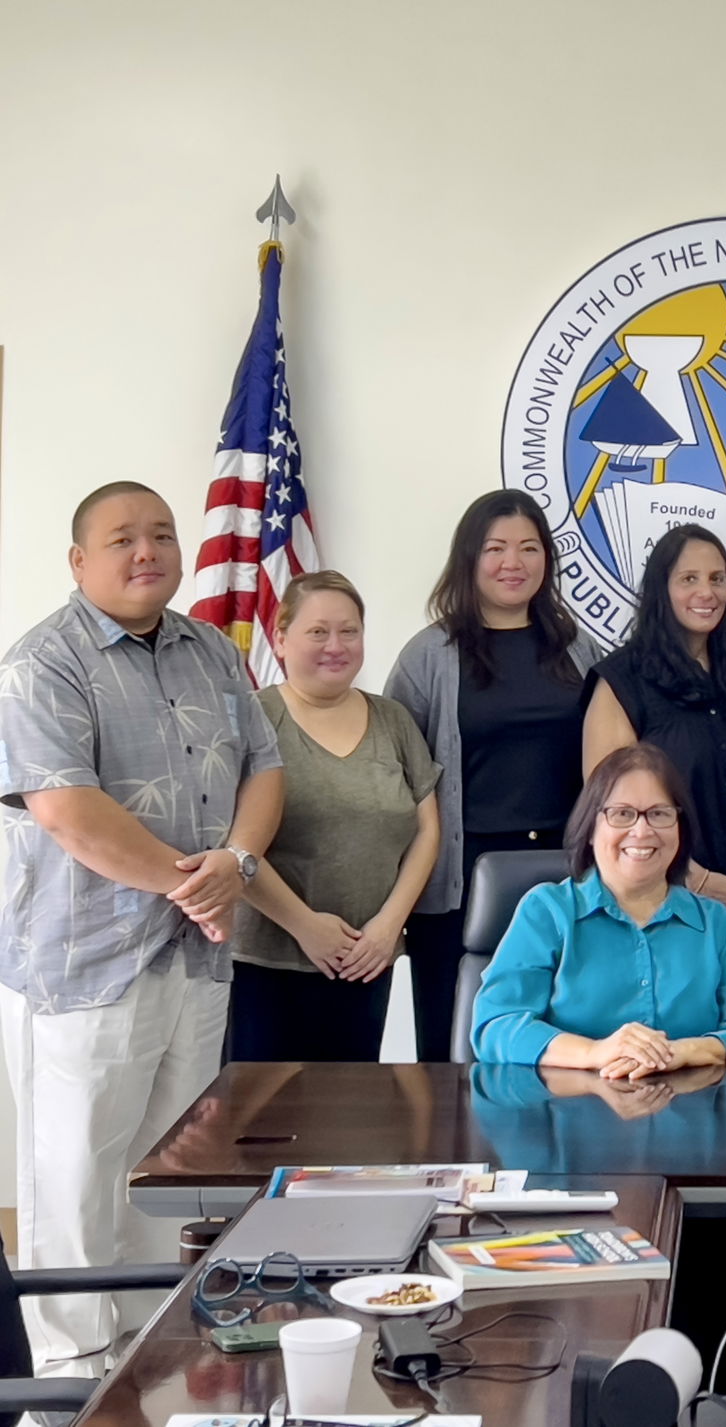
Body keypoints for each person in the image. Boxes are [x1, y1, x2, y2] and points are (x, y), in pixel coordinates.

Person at [0, 482, 282, 1372]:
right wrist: (191, 885)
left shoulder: (210, 649)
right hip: (85, 961)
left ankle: (153, 1352)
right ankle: (73, 1372)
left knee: (169, 1165)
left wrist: (233, 864)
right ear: (80, 560)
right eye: (122, 538)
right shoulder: (43, 662)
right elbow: (65, 811)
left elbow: (265, 772)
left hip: (194, 960)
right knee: (78, 1169)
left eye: (162, 533)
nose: (147, 550)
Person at [386, 489, 601, 1061]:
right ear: (469, 559)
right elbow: (396, 780)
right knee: (451, 1045)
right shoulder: (428, 655)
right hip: (460, 882)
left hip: (565, 874)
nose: (514, 563)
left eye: (530, 548)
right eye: (496, 548)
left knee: (558, 1037)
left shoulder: (578, 648)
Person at [229, 571, 442, 1061]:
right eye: (318, 631)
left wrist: (390, 927)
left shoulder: (393, 719)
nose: (335, 645)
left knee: (348, 1121)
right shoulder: (251, 718)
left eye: (349, 631)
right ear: (281, 639)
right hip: (266, 964)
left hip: (367, 959)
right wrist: (305, 925)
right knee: (260, 1126)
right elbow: (232, 844)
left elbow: (427, 829)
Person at [583, 523, 726, 1021]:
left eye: (718, 579)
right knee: (672, 1067)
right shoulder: (623, 680)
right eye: (689, 578)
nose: (706, 592)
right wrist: (696, 881)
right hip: (665, 907)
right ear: (661, 589)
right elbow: (609, 810)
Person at [472, 743, 726, 1070]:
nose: (641, 831)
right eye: (622, 813)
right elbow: (496, 1026)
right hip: (568, 1113)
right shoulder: (546, 912)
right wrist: (594, 1053)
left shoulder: (717, 924)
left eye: (659, 813)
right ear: (590, 828)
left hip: (689, 1111)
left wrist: (681, 1053)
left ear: (679, 829)